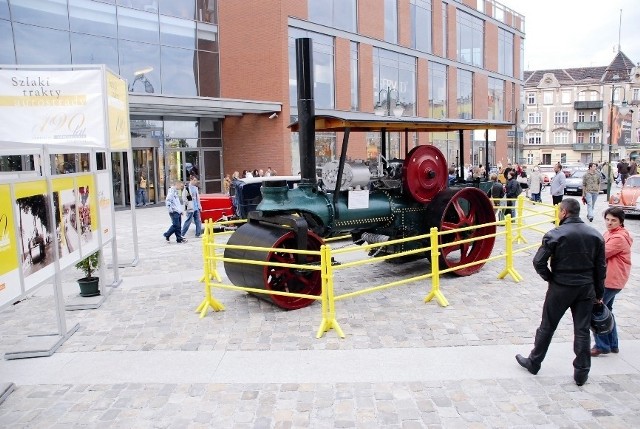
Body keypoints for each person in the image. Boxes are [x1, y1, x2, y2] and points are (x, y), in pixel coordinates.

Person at [516, 199, 606, 386]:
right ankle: (581, 373)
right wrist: (599, 292)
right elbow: (601, 268)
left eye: (559, 211)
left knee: (547, 326)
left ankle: (534, 362)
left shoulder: (555, 234)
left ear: (564, 212)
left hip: (561, 286)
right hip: (585, 287)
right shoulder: (595, 235)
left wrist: (550, 278)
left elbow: (538, 262)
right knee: (582, 330)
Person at [591, 207, 633, 356]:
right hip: (613, 279)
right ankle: (613, 344)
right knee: (607, 310)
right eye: (607, 219)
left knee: (596, 311)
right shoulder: (610, 233)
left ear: (621, 222)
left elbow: (600, 254)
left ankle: (602, 345)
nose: (609, 223)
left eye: (613, 220)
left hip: (611, 280)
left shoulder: (618, 238)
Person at [163, 179, 187, 243]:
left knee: (178, 225)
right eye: (181, 186)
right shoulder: (172, 191)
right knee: (176, 225)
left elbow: (177, 203)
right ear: (177, 185)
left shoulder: (176, 191)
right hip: (174, 211)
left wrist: (180, 211)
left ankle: (179, 238)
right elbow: (168, 201)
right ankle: (167, 235)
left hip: (177, 211)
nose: (181, 188)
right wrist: (171, 210)